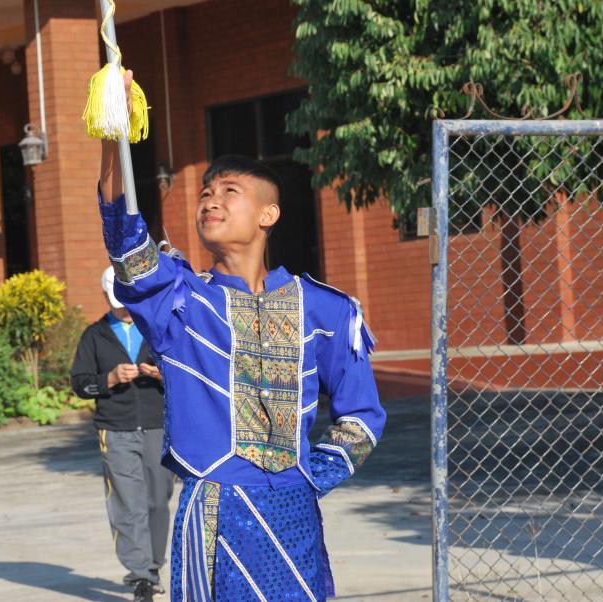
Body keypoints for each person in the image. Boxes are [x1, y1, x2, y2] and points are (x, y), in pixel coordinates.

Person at [96, 71, 386, 601]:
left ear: (268, 213)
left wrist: (309, 476)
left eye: (229, 192)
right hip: (213, 512)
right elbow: (125, 239)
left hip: (296, 515)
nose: (211, 201)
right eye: (206, 193)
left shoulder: (326, 309)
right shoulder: (180, 301)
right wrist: (114, 139)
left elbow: (362, 417)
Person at [71, 266, 175, 602]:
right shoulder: (94, 335)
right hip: (115, 429)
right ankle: (140, 575)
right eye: (117, 303)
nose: (124, 309)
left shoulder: (157, 329)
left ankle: (154, 567)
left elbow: (186, 373)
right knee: (128, 504)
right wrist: (109, 379)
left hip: (157, 426)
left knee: (158, 500)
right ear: (106, 297)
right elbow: (79, 383)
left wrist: (161, 374)